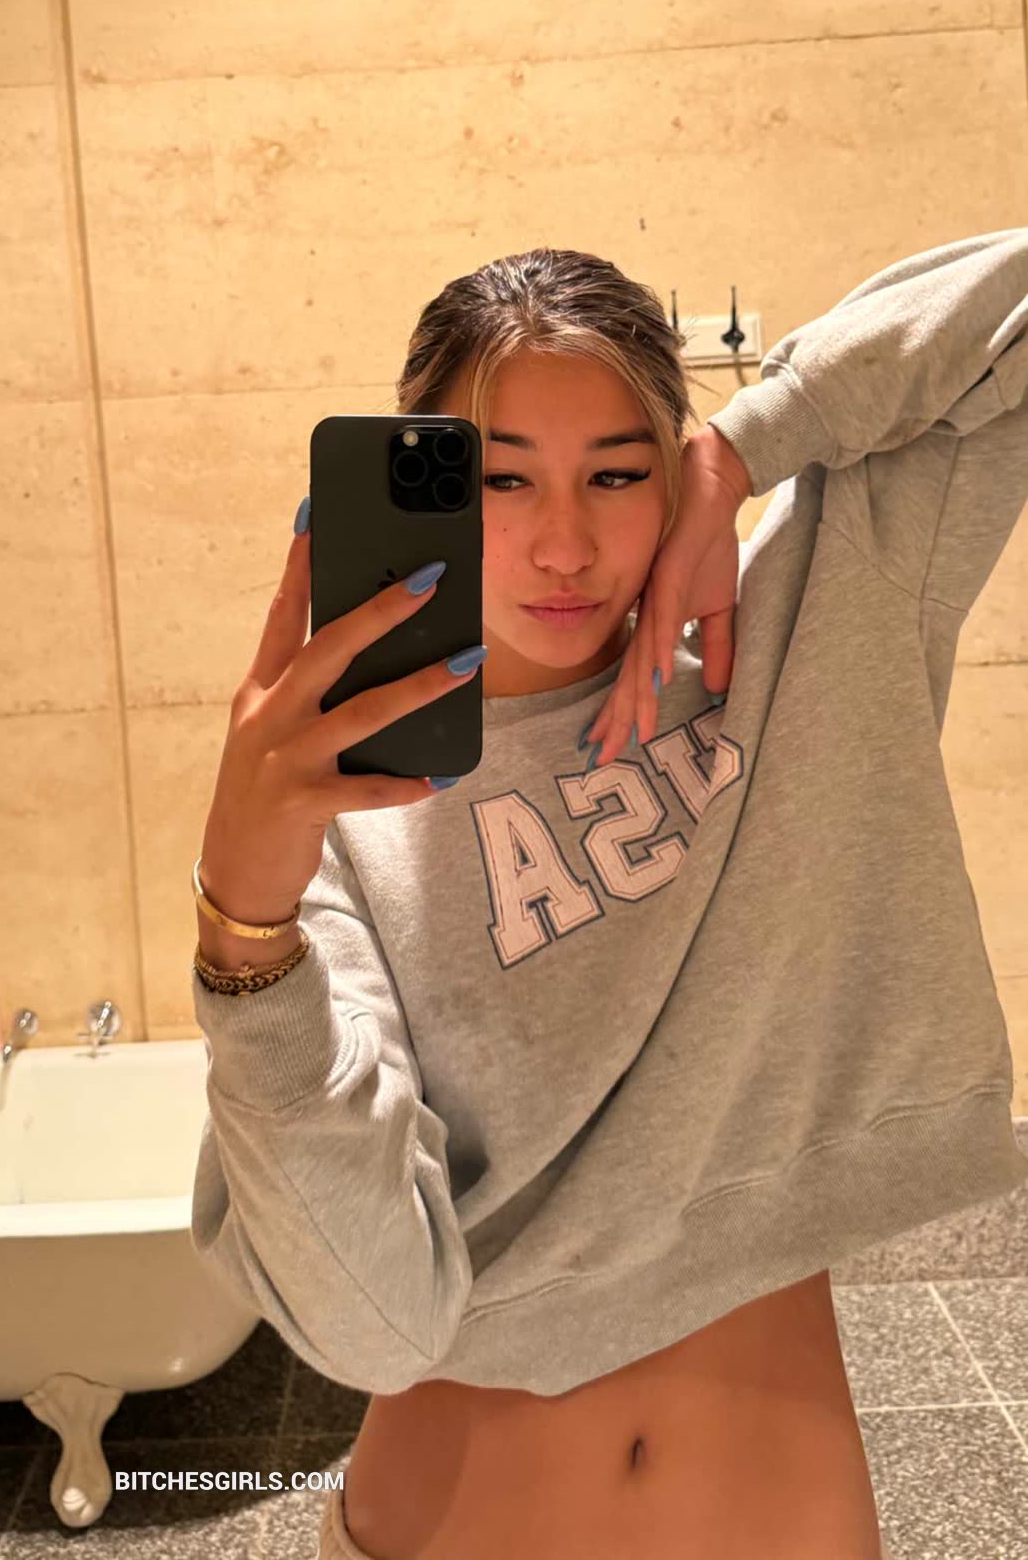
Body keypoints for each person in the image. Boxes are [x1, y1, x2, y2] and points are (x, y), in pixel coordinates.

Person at [189, 233, 1028, 1560]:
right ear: (424, 487)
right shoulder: (345, 820)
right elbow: (370, 1324)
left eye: (619, 474)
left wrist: (751, 443)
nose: (564, 543)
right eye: (500, 479)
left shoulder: (807, 633)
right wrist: (244, 925)